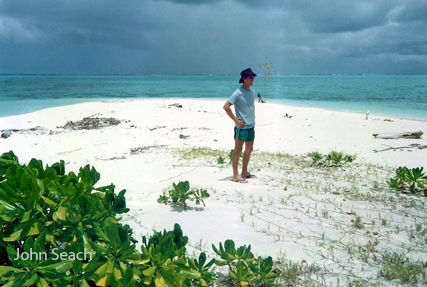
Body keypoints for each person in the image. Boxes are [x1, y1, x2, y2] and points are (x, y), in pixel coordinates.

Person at [223, 68, 258, 183]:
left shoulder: (252, 92)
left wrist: (253, 118)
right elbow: (226, 106)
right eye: (250, 77)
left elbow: (251, 105)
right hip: (241, 127)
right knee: (237, 150)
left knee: (249, 149)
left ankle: (244, 172)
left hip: (250, 126)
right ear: (244, 79)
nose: (252, 79)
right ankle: (235, 175)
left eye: (253, 77)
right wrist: (236, 121)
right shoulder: (237, 93)